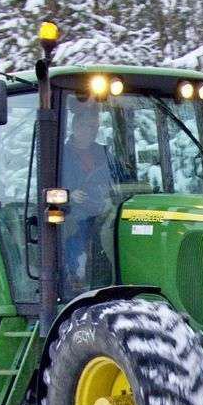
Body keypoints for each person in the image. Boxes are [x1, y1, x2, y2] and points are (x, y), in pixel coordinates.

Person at [59, 101, 130, 291]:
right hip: (73, 211)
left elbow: (122, 177)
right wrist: (69, 194)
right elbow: (49, 184)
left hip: (103, 208)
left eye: (94, 127)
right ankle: (77, 279)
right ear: (75, 126)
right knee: (76, 231)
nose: (90, 131)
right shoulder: (60, 154)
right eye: (87, 126)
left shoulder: (103, 152)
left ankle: (118, 281)